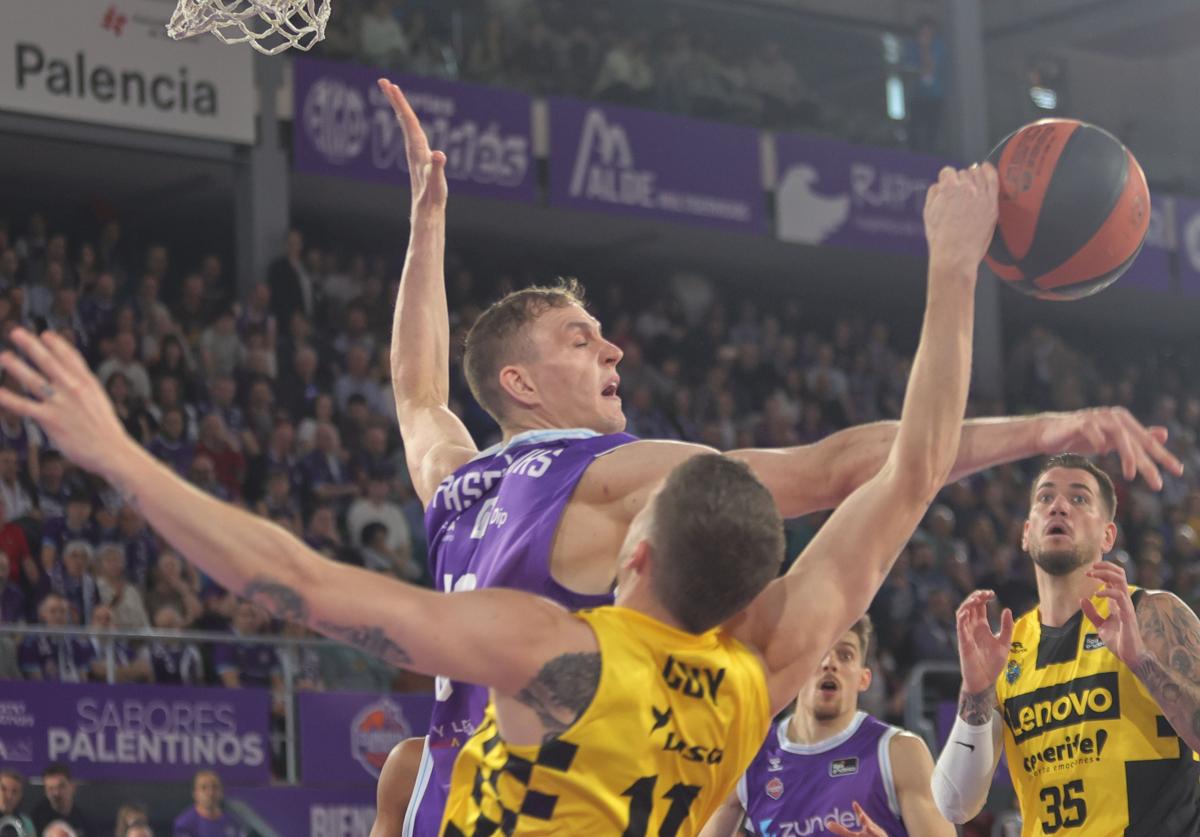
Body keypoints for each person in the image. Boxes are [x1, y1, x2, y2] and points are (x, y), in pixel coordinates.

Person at [0, 159, 984, 832]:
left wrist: (124, 461)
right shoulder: (760, 675)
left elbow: (291, 577)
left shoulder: (547, 650)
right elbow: (908, 468)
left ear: (634, 550)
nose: (612, 353)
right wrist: (956, 278)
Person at [373, 78, 1180, 833]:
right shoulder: (613, 481)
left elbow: (416, 389)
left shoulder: (458, 483)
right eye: (581, 340)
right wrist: (1042, 426)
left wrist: (427, 218)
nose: (614, 348)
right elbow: (853, 469)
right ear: (519, 382)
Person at [932, 453, 1200, 834]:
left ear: (1107, 535)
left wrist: (1142, 663)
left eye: (1079, 499)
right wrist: (975, 691)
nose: (1058, 505)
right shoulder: (1007, 648)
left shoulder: (1150, 614)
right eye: (1045, 498)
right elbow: (955, 804)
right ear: (1026, 533)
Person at [700, 617, 953, 837]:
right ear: (796, 669)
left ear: (864, 679)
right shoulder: (750, 752)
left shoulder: (899, 751)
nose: (830, 663)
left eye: (845, 655)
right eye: (819, 652)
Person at [172, 770, 245, 837]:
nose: (210, 793)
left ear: (221, 791)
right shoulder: (184, 823)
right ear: (195, 793)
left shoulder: (233, 821)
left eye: (215, 787)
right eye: (204, 788)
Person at [30, 764, 92, 836]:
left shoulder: (85, 819)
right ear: (45, 792)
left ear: (72, 787)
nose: (56, 793)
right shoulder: (35, 819)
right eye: (51, 789)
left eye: (61, 786)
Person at [0, 770, 34, 837]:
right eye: (3, 789)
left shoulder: (26, 823)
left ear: (20, 796)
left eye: (14, 791)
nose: (9, 796)